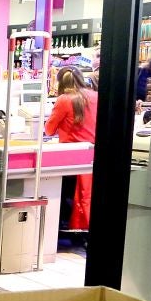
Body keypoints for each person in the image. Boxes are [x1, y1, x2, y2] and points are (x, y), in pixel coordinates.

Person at [44, 67, 99, 233]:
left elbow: (49, 130)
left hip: (69, 159)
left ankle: (59, 226)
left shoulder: (63, 100)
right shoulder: (96, 96)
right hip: (92, 156)